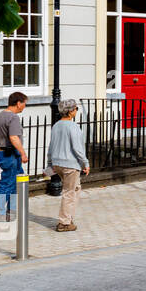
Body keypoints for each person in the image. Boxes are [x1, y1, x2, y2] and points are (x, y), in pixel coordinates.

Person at [48, 99, 89, 232]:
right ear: (71, 111)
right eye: (76, 108)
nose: (77, 111)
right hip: (70, 165)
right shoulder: (73, 127)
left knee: (75, 188)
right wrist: (85, 163)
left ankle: (68, 217)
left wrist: (50, 164)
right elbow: (78, 148)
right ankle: (64, 223)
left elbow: (51, 146)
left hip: (57, 163)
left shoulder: (56, 126)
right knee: (69, 192)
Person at [0, 91, 29, 219]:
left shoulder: (0, 115)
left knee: (15, 182)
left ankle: (11, 211)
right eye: (24, 104)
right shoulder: (13, 117)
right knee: (8, 183)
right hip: (10, 155)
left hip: (3, 153)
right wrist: (23, 153)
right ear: (18, 103)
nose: (24, 106)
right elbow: (13, 137)